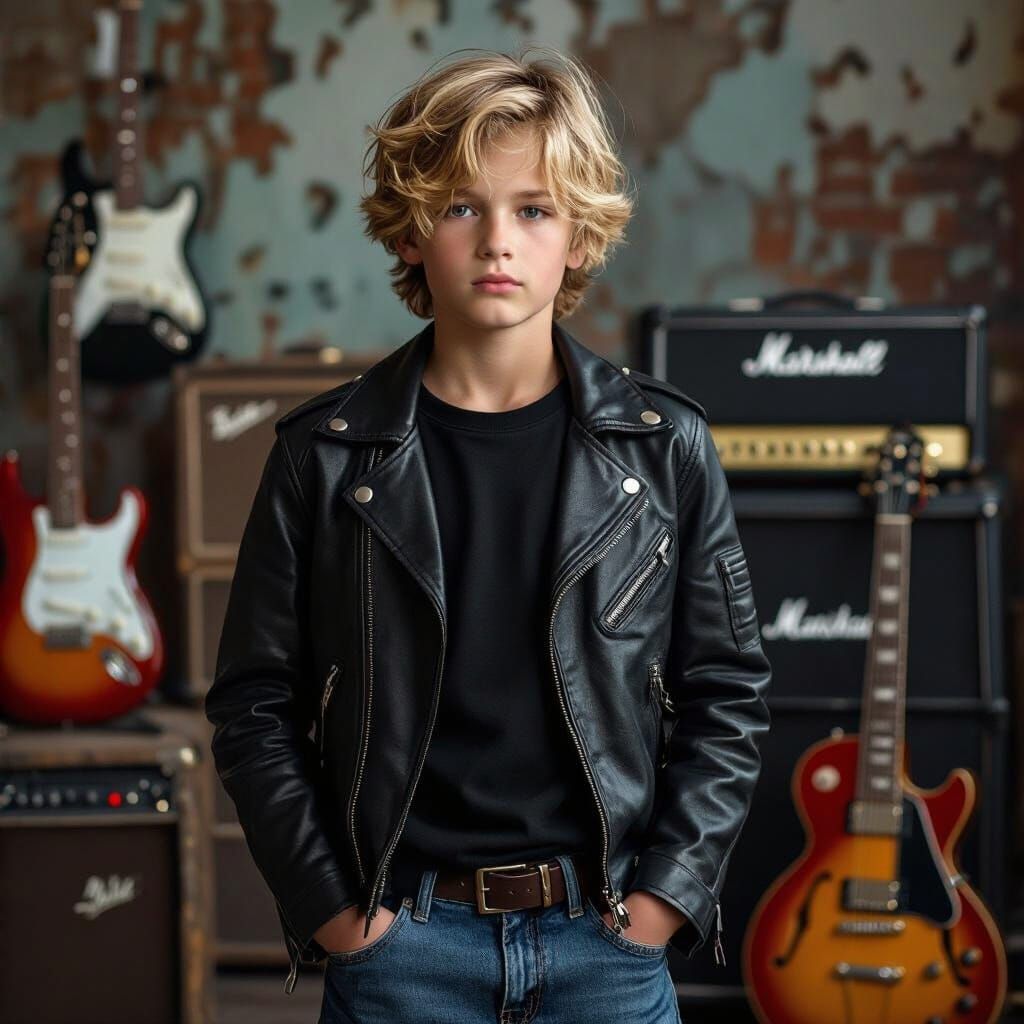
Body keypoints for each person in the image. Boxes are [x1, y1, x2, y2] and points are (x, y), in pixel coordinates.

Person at [205, 46, 772, 1024]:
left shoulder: (664, 447)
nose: (497, 240)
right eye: (463, 205)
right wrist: (339, 915)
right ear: (414, 227)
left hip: (606, 949)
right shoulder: (324, 457)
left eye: (534, 209)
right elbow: (255, 708)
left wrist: (659, 903)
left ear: (580, 238)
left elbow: (727, 693)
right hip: (401, 955)